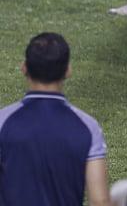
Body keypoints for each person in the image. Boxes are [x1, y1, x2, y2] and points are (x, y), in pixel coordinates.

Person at [0, 32, 110, 206]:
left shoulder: (3, 122)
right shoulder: (88, 127)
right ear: (68, 71)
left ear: (24, 68)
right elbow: (100, 201)